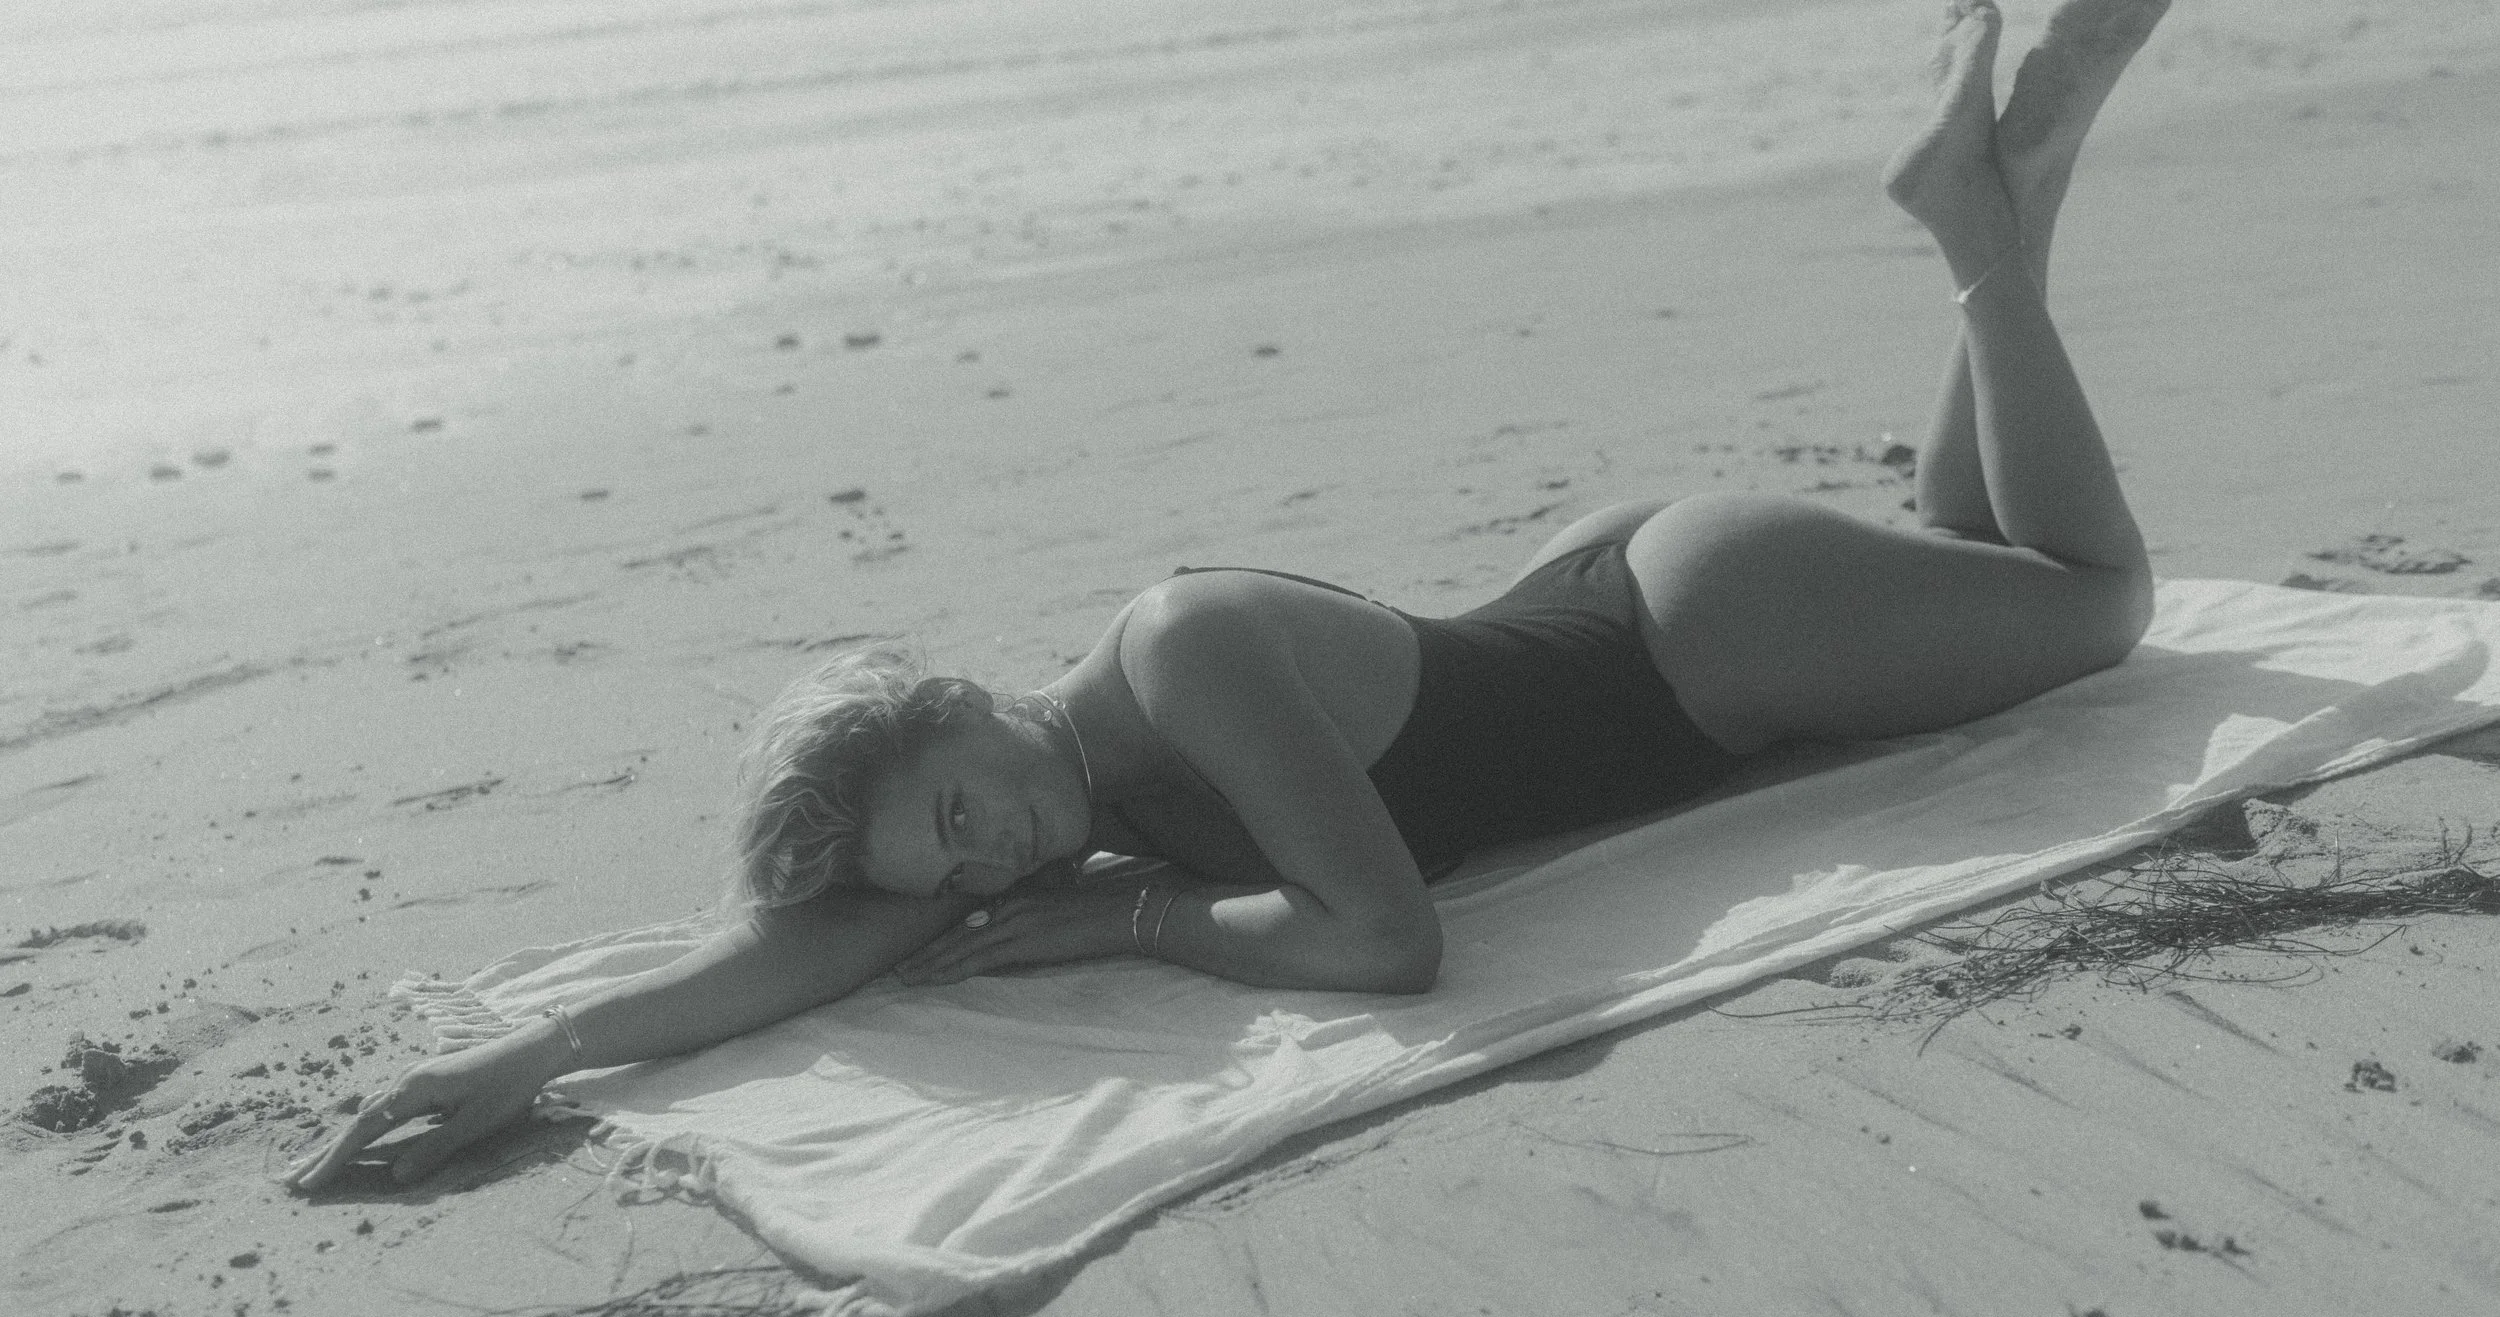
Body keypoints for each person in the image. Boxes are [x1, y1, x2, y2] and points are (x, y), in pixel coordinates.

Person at [291, 0, 2168, 1193]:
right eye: (952, 869)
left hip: (1700, 635)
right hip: (1661, 610)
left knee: (2097, 598)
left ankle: (1974, 223)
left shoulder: (1177, 657)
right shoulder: (1059, 811)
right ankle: (2021, 174)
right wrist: (536, 1049)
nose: (986, 863)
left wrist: (1156, 925)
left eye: (956, 812)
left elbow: (1384, 939)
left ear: (957, 693)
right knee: (1981, 544)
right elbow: (807, 950)